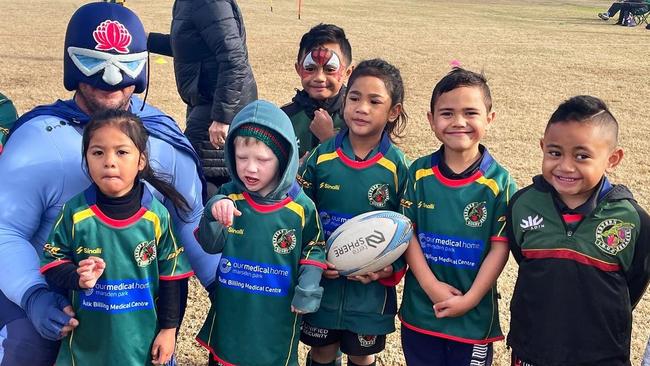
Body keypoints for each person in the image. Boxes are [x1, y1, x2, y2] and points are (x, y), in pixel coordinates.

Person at [0, 3, 220, 365]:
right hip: (54, 294)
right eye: (95, 62)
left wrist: (225, 290)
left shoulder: (162, 137)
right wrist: (33, 294)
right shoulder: (39, 140)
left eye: (125, 64)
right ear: (73, 65)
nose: (112, 78)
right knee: (25, 344)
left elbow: (190, 220)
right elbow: (7, 231)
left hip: (134, 307)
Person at [40, 110, 193, 365]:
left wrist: (169, 330)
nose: (109, 161)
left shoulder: (157, 217)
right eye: (98, 152)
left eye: (122, 152)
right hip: (87, 342)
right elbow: (52, 262)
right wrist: (77, 276)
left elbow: (172, 278)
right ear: (86, 159)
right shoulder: (75, 213)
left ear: (141, 160)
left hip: (141, 342)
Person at [507, 95, 650, 366]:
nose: (565, 166)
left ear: (613, 158)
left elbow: (635, 280)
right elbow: (521, 254)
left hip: (600, 355)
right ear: (542, 147)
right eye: (555, 152)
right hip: (533, 350)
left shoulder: (632, 220)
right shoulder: (522, 205)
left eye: (582, 156)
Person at [194, 100, 326, 365]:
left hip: (276, 311)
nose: (250, 168)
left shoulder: (300, 208)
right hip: (232, 308)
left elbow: (315, 247)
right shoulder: (229, 196)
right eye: (241, 158)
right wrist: (213, 214)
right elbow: (210, 244)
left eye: (262, 160)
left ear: (284, 159)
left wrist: (309, 287)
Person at [398, 68, 515, 366]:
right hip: (422, 311)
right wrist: (430, 286)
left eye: (470, 113)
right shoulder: (419, 173)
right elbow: (406, 232)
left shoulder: (499, 183)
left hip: (472, 319)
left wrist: (471, 299)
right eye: (447, 113)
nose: (458, 122)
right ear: (431, 119)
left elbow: (500, 247)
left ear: (490, 118)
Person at [298, 59, 409, 366]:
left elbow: (407, 228)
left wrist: (390, 268)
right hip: (323, 285)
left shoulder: (398, 167)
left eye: (375, 101)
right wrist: (314, 261)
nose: (362, 107)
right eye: (355, 98)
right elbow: (301, 214)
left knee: (362, 356)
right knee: (321, 351)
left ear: (393, 112)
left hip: (370, 293)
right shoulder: (322, 157)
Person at [148, 0, 258, 197]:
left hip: (220, 109)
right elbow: (190, 47)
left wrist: (222, 117)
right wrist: (147, 40)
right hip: (208, 104)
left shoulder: (209, 3)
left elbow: (234, 59)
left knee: (205, 186)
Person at [281, 23, 353, 163]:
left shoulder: (356, 119)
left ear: (347, 72)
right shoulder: (285, 118)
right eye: (310, 68)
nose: (319, 77)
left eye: (330, 69)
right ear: (298, 69)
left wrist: (328, 139)